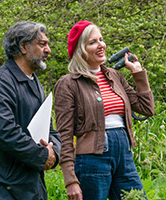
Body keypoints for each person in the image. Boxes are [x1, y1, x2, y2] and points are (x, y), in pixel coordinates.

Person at [54, 20, 154, 200]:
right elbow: (65, 134)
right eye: (92, 42)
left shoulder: (114, 76)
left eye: (101, 40)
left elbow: (146, 108)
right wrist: (70, 180)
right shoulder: (68, 84)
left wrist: (138, 73)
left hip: (124, 157)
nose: (101, 45)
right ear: (80, 50)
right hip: (92, 160)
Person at [0, 21, 61, 200]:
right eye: (42, 44)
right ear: (23, 47)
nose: (48, 50)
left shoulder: (35, 83)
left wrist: (54, 153)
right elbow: (3, 131)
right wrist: (42, 155)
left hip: (32, 186)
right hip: (3, 189)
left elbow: (50, 130)